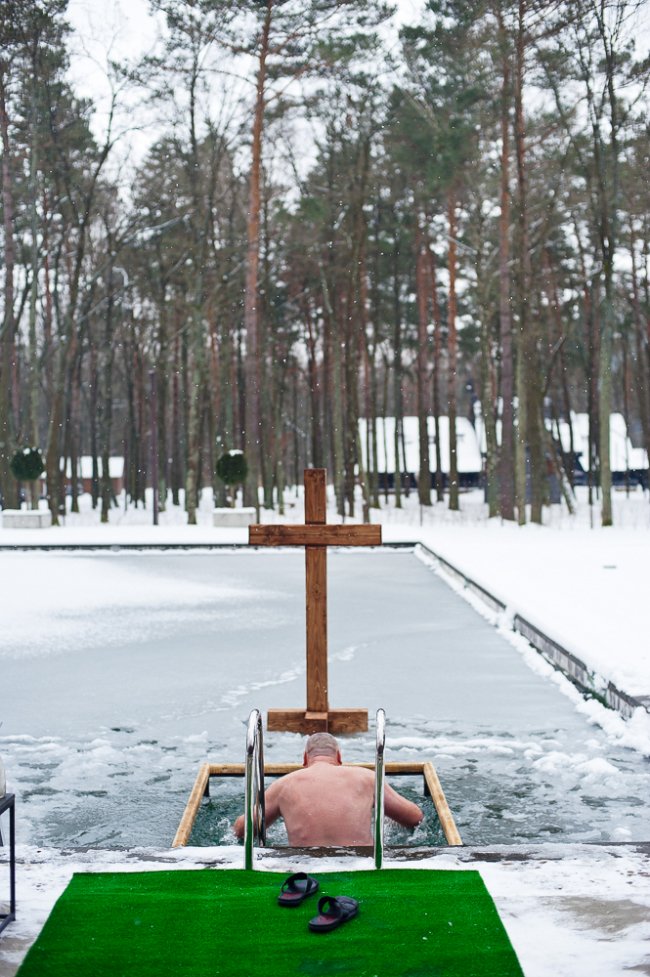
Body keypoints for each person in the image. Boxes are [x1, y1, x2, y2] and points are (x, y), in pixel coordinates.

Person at [233, 732, 423, 847]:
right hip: (360, 866)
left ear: (305, 759)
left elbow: (243, 830)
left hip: (305, 869)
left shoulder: (285, 785)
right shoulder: (366, 778)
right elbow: (415, 818)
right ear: (339, 757)